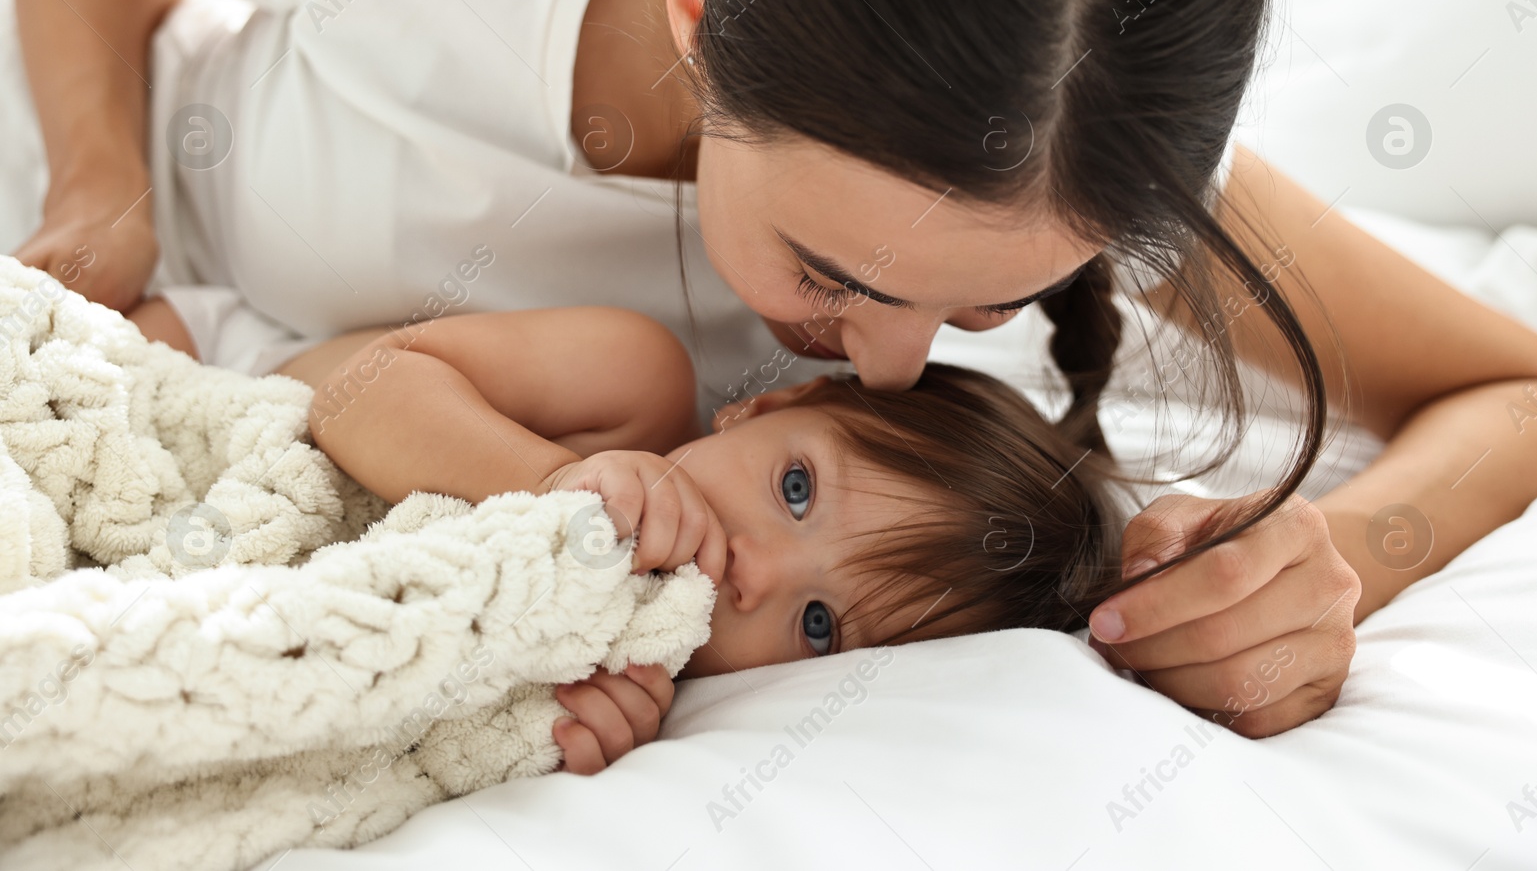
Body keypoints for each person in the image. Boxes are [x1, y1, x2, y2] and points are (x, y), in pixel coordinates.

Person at [7, 0, 1537, 744]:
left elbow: (1533, 387)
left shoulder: (1077, 132)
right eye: (836, 270)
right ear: (700, 25)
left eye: (989, 307)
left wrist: (1336, 561)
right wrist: (102, 193)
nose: (893, 370)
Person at [284, 303, 1136, 775]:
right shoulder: (631, 385)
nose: (753, 568)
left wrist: (558, 731)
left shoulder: (647, 681)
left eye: (817, 626)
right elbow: (358, 388)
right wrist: (550, 484)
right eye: (794, 488)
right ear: (766, 406)